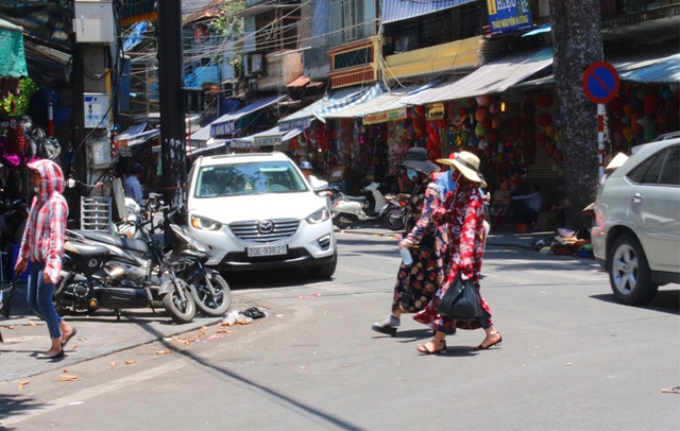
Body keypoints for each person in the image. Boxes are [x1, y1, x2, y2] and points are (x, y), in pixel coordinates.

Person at [412, 151, 502, 354]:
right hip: (456, 251)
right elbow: (445, 215)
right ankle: (491, 332)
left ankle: (438, 339)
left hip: (465, 253)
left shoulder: (472, 197)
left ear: (464, 173)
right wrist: (438, 211)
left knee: (449, 294)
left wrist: (466, 261)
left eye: (456, 169)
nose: (452, 172)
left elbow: (469, 230)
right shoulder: (459, 193)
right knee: (469, 292)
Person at [372, 147, 446, 335]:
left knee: (431, 283)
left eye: (411, 170)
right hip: (415, 247)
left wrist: (411, 238)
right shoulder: (419, 186)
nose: (409, 173)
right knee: (405, 279)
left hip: (428, 245)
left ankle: (437, 320)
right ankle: (395, 317)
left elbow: (427, 217)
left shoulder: (431, 188)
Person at [15, 159, 76, 360]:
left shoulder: (56, 203)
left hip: (49, 261)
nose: (32, 179)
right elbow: (29, 231)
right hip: (36, 259)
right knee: (33, 302)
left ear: (47, 178)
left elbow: (56, 237)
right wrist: (23, 257)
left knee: (44, 300)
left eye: (35, 175)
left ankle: (56, 345)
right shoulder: (36, 201)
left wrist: (52, 267)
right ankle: (64, 327)